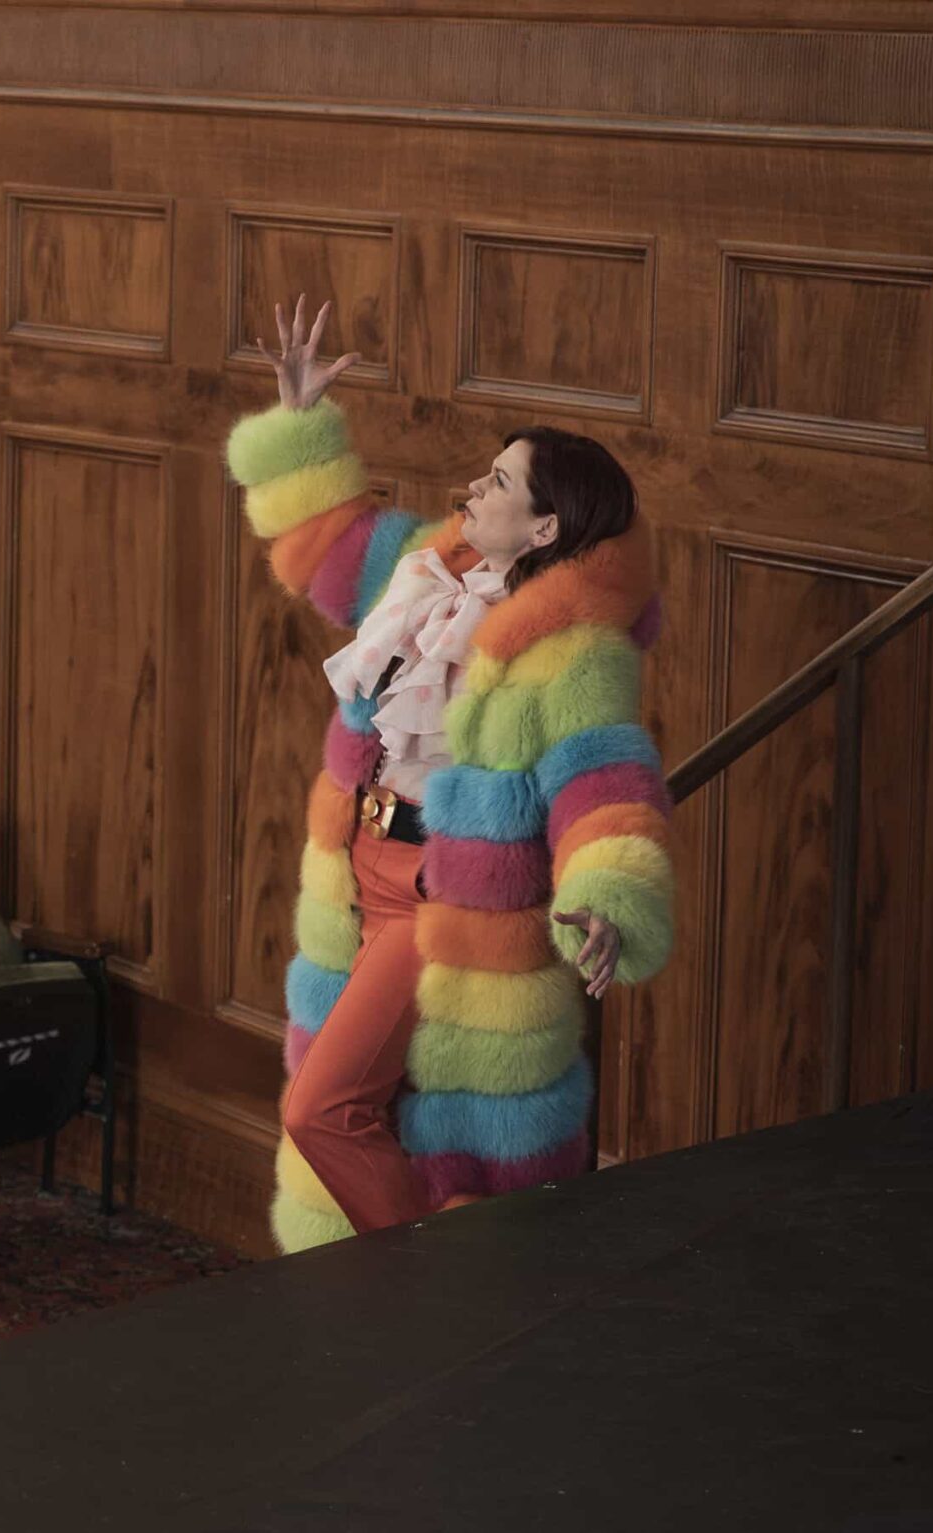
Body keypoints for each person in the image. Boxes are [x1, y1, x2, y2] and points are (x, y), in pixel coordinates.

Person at [226, 296, 676, 1253]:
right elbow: (330, 550)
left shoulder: (572, 649)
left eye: (501, 480)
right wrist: (301, 421)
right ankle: (408, 1315)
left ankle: (439, 1292)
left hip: (445, 900)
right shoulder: (429, 569)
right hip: (360, 875)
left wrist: (607, 894)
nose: (475, 485)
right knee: (362, 1119)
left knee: (325, 1109)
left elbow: (607, 786)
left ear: (546, 526)